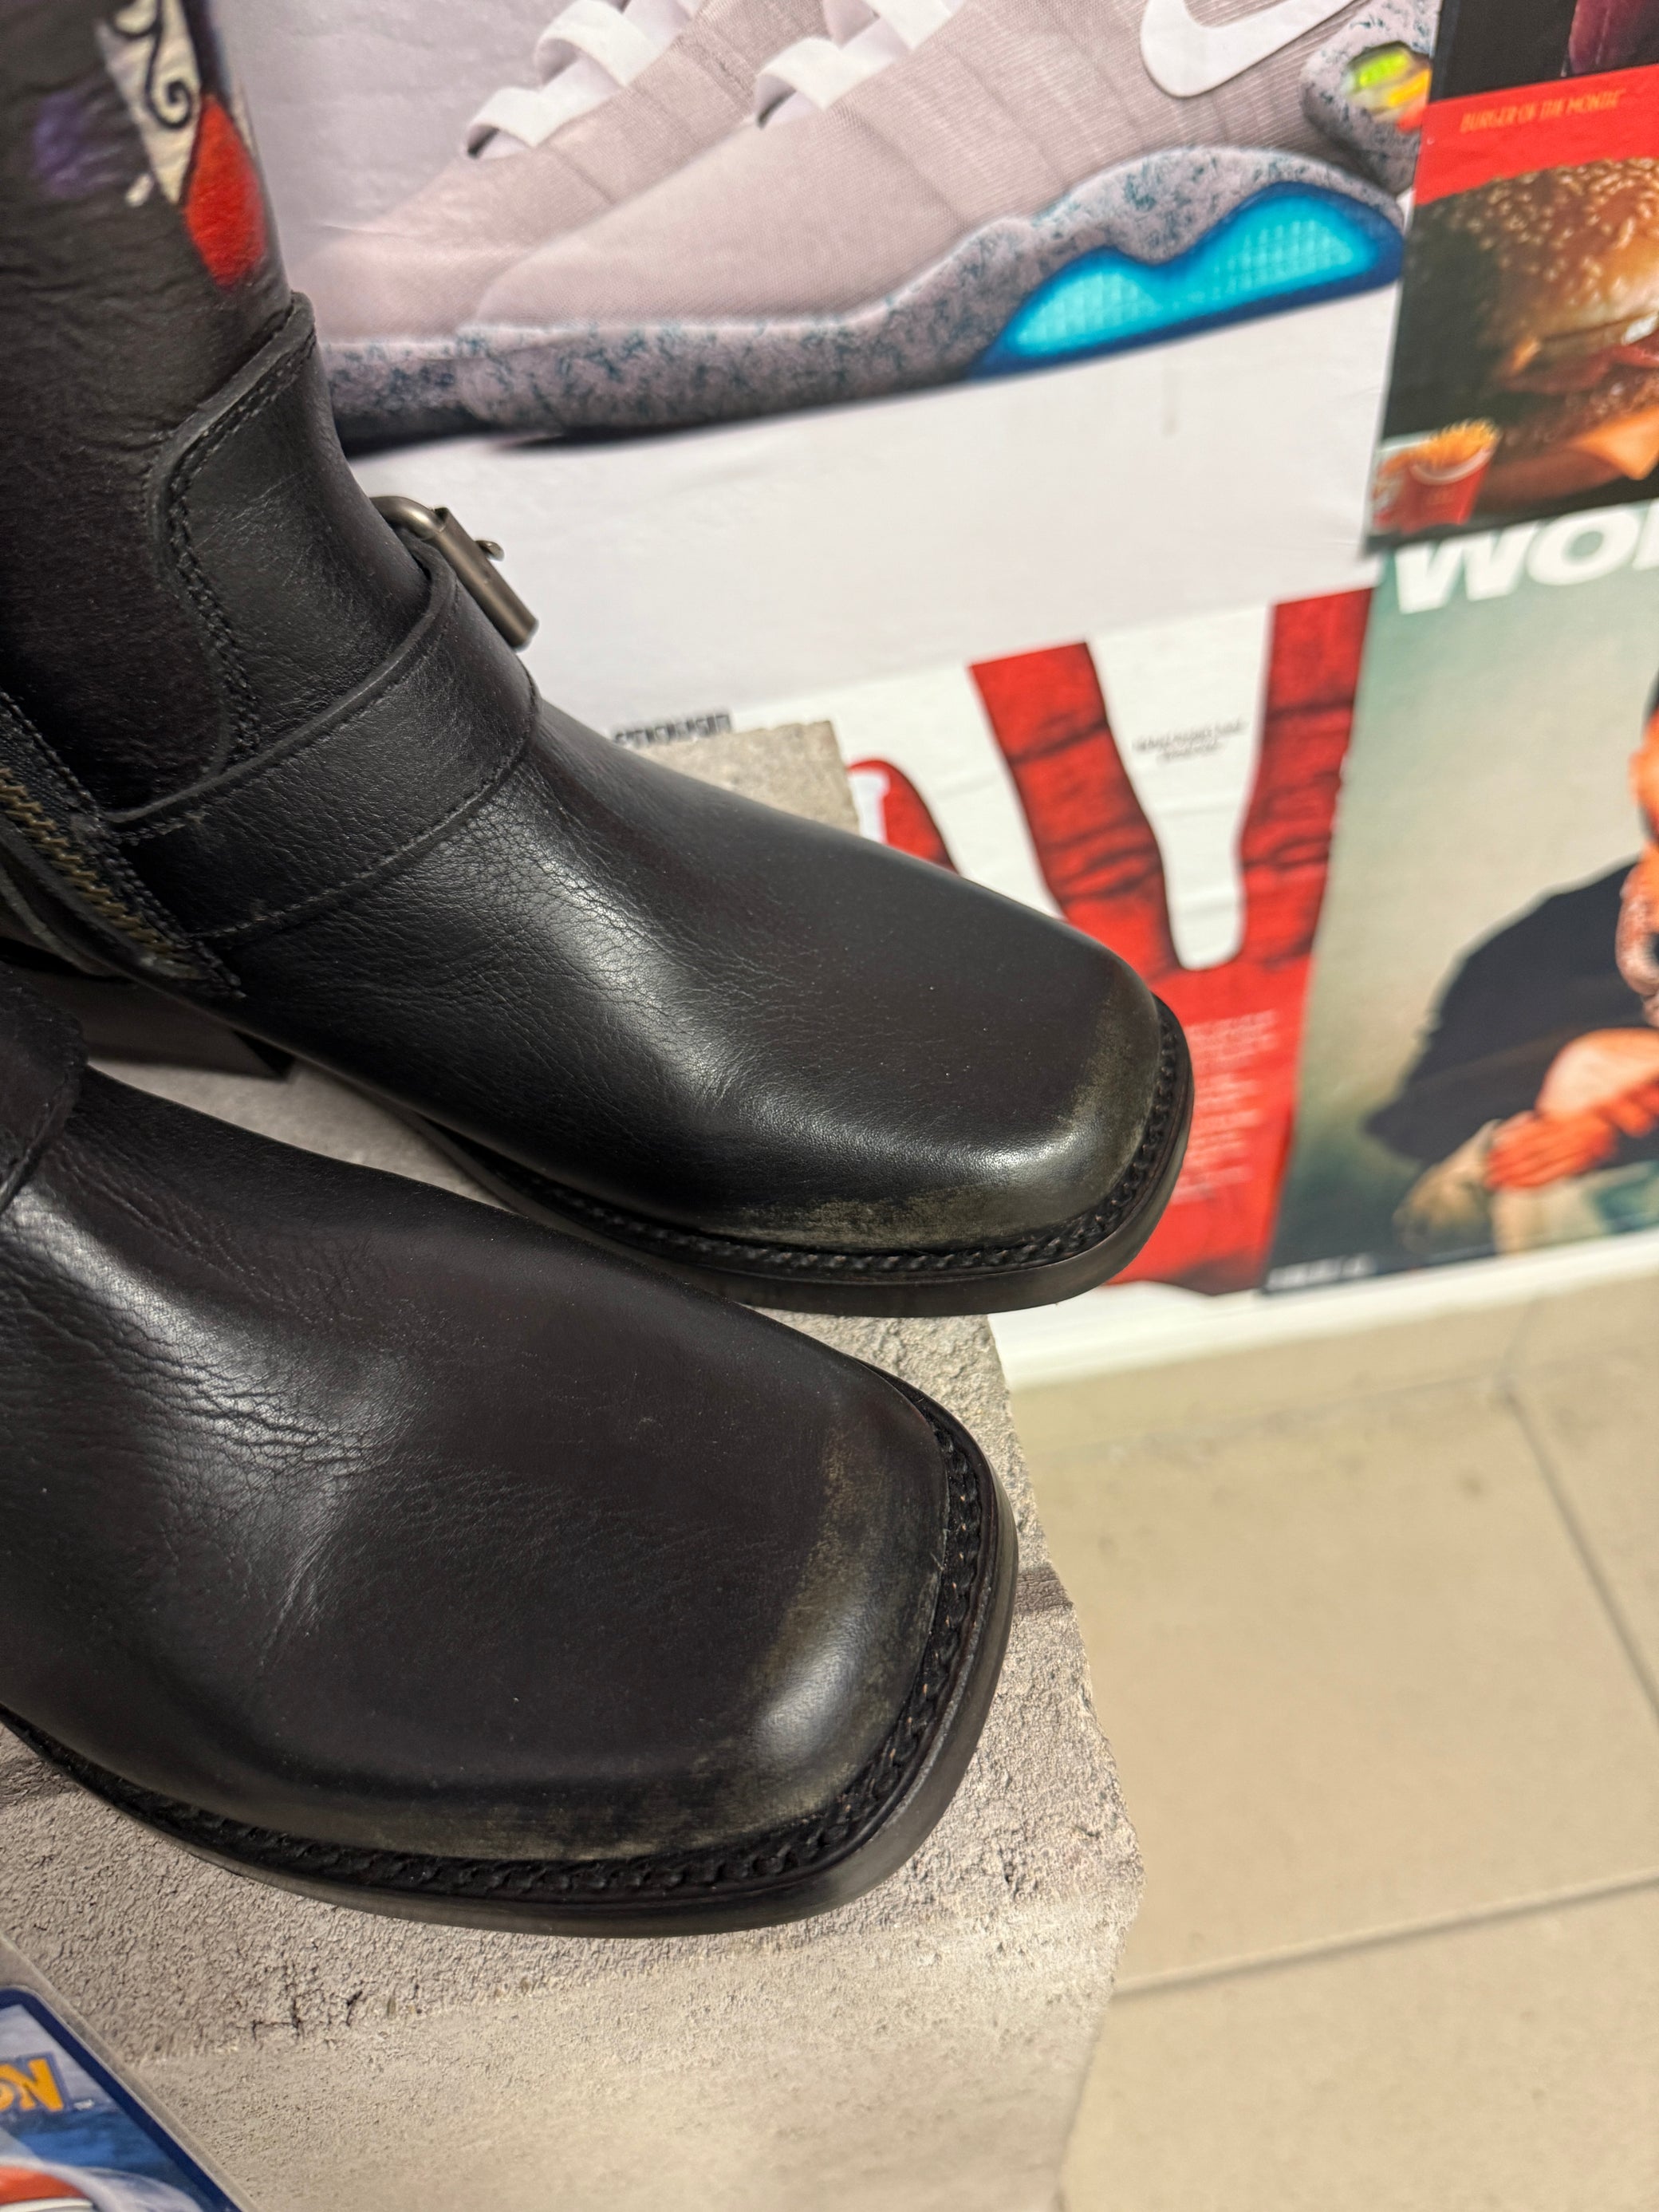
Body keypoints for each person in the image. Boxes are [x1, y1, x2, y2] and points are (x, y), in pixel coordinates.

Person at [1370, 691, 1659, 1256]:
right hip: (1546, 1192)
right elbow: (1419, 1118)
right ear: (1637, 772)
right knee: (1515, 1173)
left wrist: (1634, 1115)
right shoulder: (1535, 945)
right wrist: (1575, 1106)